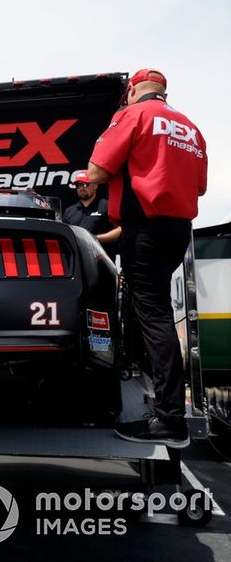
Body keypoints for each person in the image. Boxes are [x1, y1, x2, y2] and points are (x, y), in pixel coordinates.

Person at [87, 68, 207, 448]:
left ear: (133, 89)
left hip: (145, 229)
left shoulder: (132, 115)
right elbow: (200, 186)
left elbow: (96, 171)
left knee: (152, 314)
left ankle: (169, 418)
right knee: (152, 312)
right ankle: (154, 395)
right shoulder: (190, 126)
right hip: (178, 230)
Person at [62, 171, 121, 260]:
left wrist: (95, 239)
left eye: (85, 184)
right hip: (78, 261)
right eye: (78, 185)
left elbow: (120, 230)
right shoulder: (69, 211)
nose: (81, 188)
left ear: (95, 186)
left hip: (103, 261)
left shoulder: (106, 206)